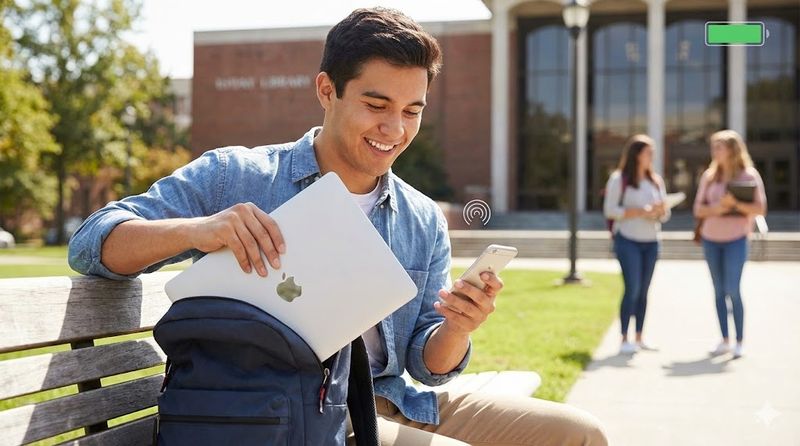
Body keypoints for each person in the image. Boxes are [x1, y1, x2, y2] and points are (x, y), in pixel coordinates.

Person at [68, 8, 606, 445]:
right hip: (301, 412)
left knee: (581, 435)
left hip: (397, 401)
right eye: (376, 104)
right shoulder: (237, 176)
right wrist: (198, 231)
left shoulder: (420, 218)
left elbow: (429, 365)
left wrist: (459, 327)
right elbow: (92, 243)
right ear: (327, 91)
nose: (394, 129)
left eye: (412, 111)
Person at [693, 129, 766, 359]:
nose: (714, 151)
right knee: (718, 291)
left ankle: (740, 341)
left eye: (719, 147)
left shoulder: (749, 175)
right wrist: (719, 208)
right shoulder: (709, 177)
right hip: (711, 239)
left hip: (736, 239)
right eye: (713, 147)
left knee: (733, 290)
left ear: (732, 150)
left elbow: (760, 209)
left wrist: (735, 203)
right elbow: (698, 209)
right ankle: (724, 339)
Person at [603, 135, 670, 355]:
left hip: (651, 242)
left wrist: (659, 211)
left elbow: (665, 214)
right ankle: (624, 338)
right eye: (648, 152)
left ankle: (640, 337)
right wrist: (640, 211)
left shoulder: (655, 180)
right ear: (636, 154)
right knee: (632, 289)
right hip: (627, 240)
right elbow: (610, 210)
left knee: (644, 291)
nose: (652, 156)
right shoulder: (618, 179)